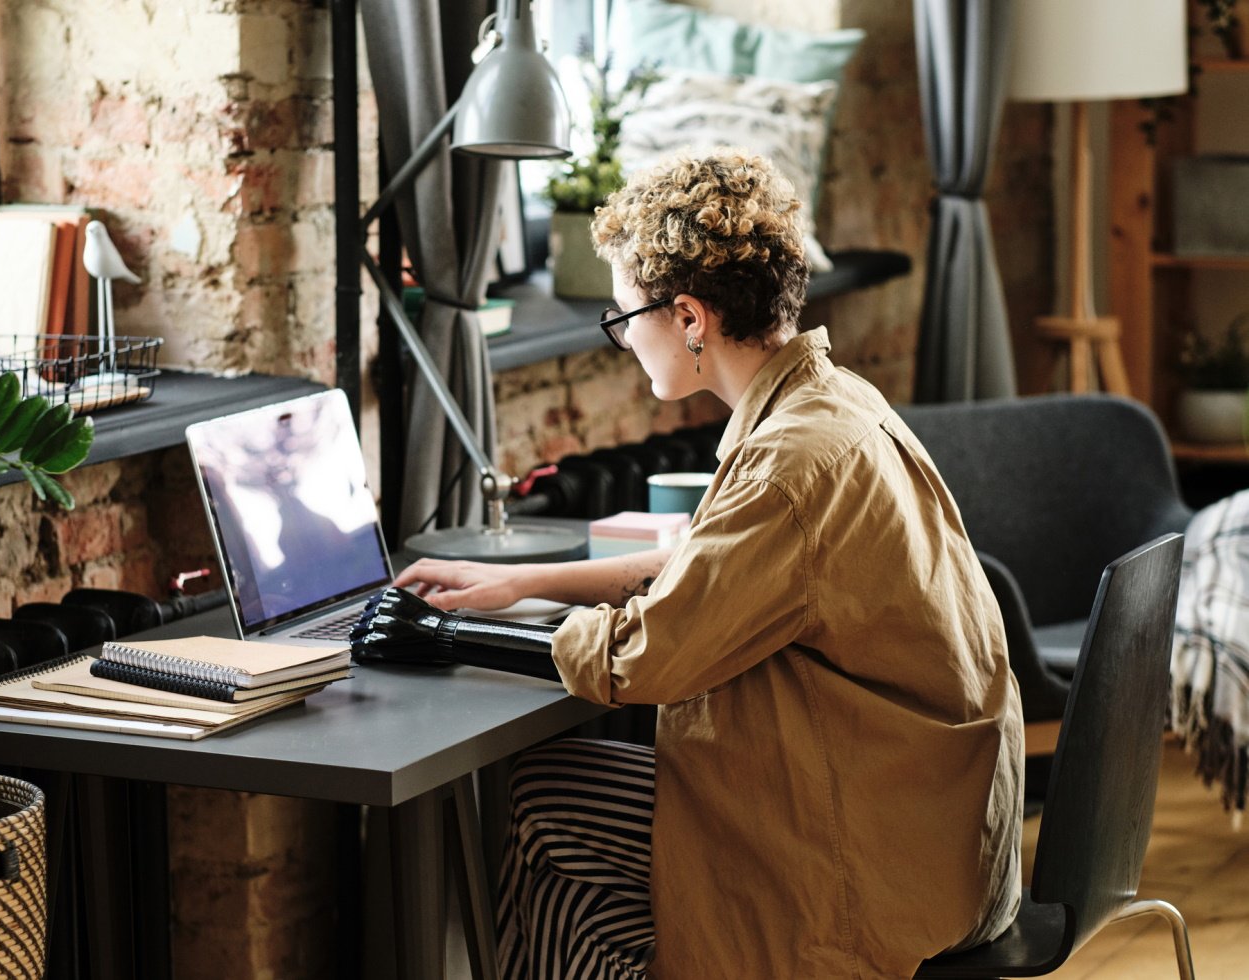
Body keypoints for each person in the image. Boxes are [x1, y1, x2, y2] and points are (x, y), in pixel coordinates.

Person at [379, 151, 1024, 978]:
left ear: (688, 317)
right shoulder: (830, 403)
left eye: (623, 319)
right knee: (595, 886)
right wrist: (523, 584)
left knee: (548, 798)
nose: (620, 341)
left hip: (877, 855)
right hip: (935, 825)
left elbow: (651, 656)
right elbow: (702, 562)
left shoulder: (790, 464)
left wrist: (448, 638)